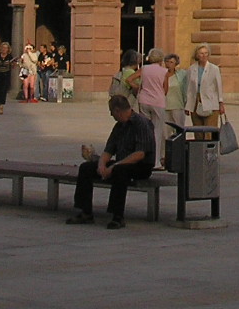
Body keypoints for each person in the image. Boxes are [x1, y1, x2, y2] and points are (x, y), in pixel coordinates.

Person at [66, 94, 156, 230]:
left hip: (141, 165)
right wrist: (102, 164)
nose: (111, 115)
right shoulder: (119, 127)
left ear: (117, 111)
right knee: (86, 168)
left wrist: (114, 166)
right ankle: (85, 212)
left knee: (120, 172)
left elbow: (140, 154)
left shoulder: (141, 123)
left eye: (111, 112)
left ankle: (117, 216)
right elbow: (109, 149)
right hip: (122, 162)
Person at [135, 48, 169, 168]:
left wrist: (138, 88)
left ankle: (144, 159)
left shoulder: (144, 69)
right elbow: (165, 89)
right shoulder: (164, 71)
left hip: (144, 100)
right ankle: (155, 162)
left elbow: (129, 79)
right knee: (157, 132)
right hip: (158, 102)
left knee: (145, 130)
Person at [188, 43, 224, 127]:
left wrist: (221, 103)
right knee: (197, 130)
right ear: (197, 55)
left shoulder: (214, 69)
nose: (204, 56)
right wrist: (188, 106)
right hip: (196, 101)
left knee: (209, 130)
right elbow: (189, 89)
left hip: (210, 101)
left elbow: (218, 86)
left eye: (206, 53)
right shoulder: (191, 69)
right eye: (201, 53)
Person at [164, 52, 188, 134]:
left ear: (175, 64)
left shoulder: (181, 75)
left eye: (171, 62)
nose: (168, 64)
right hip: (164, 107)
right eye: (167, 62)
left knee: (179, 131)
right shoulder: (161, 75)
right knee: (166, 132)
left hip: (177, 106)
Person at [0, 41, 16, 114]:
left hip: (6, 74)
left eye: (5, 48)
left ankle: (1, 106)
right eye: (3, 47)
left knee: (3, 90)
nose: (4, 49)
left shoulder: (9, 57)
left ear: (8, 49)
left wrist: (13, 63)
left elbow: (13, 66)